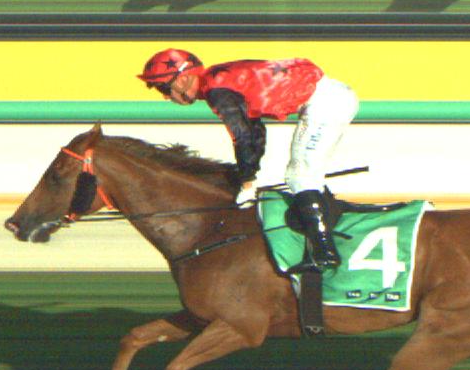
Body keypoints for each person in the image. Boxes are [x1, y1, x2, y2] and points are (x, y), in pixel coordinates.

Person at [138, 48, 368, 332]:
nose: (166, 96)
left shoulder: (218, 91)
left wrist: (247, 180)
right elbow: (254, 132)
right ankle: (322, 231)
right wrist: (248, 172)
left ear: (183, 78)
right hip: (329, 98)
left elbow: (243, 136)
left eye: (164, 87)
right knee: (304, 173)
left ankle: (325, 251)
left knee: (300, 174)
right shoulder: (219, 82)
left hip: (327, 102)